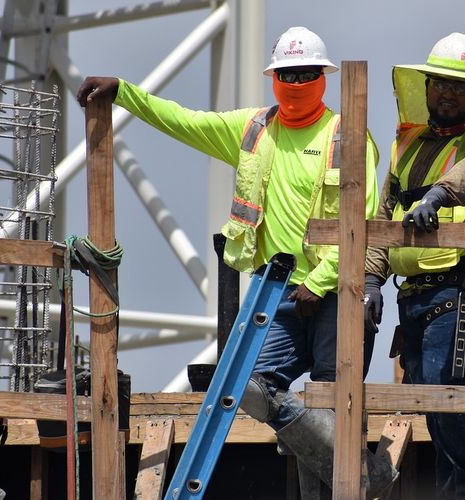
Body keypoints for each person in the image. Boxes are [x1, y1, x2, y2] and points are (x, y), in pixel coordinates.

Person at [77, 26, 396, 497]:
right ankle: (368, 476)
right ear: (274, 78)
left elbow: (363, 217)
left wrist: (323, 280)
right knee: (246, 383)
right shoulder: (254, 129)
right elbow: (182, 120)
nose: (296, 81)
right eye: (287, 74)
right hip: (278, 294)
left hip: (335, 294)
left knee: (331, 406)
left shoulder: (346, 135)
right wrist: (125, 92)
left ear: (325, 77)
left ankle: (353, 480)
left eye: (306, 73)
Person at [364, 32, 465, 499]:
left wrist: (437, 196)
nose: (448, 93)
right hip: (414, 296)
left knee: (450, 403)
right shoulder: (408, 144)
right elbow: (384, 215)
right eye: (440, 83)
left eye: (460, 86)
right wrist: (373, 280)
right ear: (428, 86)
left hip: (461, 292)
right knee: (436, 411)